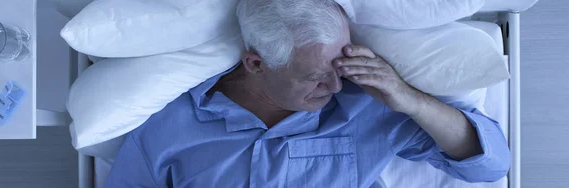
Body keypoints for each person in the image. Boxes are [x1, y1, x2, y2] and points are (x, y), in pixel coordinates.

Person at [105, 0, 510, 187]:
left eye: (340, 68)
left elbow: (489, 166)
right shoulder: (168, 127)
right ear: (256, 64)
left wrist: (411, 100)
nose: (335, 87)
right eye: (315, 77)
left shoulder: (369, 108)